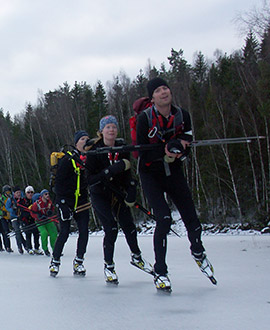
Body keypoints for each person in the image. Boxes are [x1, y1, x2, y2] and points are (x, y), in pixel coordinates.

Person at [135, 77, 213, 292]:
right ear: (152, 97)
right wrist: (165, 149)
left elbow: (187, 142)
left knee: (191, 217)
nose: (163, 92)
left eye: (165, 88)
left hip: (173, 171)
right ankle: (160, 270)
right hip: (151, 173)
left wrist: (181, 148)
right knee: (164, 218)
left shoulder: (182, 115)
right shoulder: (144, 119)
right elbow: (141, 151)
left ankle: (198, 251)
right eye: (158, 90)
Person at [85, 115, 152, 284]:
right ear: (101, 131)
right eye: (107, 127)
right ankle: (109, 265)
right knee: (111, 228)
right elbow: (90, 179)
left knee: (129, 225)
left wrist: (131, 189)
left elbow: (128, 173)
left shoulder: (122, 147)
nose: (111, 130)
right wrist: (111, 170)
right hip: (100, 193)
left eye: (113, 127)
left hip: (117, 193)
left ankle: (137, 256)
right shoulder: (94, 150)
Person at [49, 130, 92, 277]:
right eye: (82, 139)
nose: (86, 141)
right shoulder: (67, 160)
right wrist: (61, 203)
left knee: (84, 232)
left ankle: (79, 261)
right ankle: (55, 261)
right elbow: (58, 184)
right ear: (76, 143)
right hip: (66, 202)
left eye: (87, 139)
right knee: (65, 233)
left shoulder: (89, 159)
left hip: (82, 202)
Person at [29, 189, 57, 256]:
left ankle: (55, 249)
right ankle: (45, 249)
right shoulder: (37, 204)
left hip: (47, 220)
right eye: (45, 194)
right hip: (40, 221)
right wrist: (38, 216)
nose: (47, 195)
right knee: (44, 233)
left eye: (48, 194)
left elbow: (52, 209)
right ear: (42, 196)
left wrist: (50, 212)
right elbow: (32, 212)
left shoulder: (49, 203)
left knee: (54, 233)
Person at [20, 186, 42, 254]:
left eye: (31, 192)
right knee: (28, 234)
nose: (30, 194)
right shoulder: (23, 201)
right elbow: (21, 211)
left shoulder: (35, 200)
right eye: (28, 192)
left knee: (36, 234)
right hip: (26, 219)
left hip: (34, 219)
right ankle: (29, 248)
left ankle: (36, 248)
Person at [6, 186, 28, 254]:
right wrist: (12, 210)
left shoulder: (23, 199)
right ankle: (20, 247)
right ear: (14, 193)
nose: (18, 194)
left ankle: (26, 245)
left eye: (19, 192)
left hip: (21, 216)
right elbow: (7, 207)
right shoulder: (10, 199)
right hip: (14, 217)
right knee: (17, 231)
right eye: (17, 193)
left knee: (25, 230)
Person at [0, 185, 14, 253]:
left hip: (11, 216)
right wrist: (3, 213)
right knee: (6, 232)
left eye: (9, 192)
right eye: (7, 192)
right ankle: (7, 246)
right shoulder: (0, 200)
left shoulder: (12, 199)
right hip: (3, 218)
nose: (8, 194)